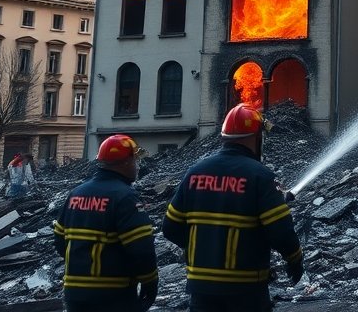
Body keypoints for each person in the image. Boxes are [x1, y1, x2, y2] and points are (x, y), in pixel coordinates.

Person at [165, 103, 303, 312]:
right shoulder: (260, 176)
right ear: (256, 137)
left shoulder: (195, 173)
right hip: (246, 290)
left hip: (200, 290)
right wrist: (294, 260)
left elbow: (170, 228)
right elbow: (281, 231)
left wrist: (205, 248)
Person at [52, 134, 158, 312]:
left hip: (74, 294)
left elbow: (60, 241)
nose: (137, 166)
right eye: (135, 161)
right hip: (114, 295)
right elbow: (141, 248)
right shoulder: (125, 197)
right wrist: (150, 282)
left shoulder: (76, 194)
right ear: (125, 163)